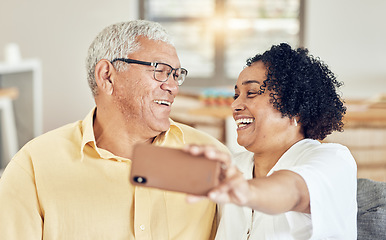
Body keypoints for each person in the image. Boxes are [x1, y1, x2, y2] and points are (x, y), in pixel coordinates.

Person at [0, 20, 228, 240]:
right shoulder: (33, 168)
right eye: (160, 70)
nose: (172, 87)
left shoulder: (213, 158)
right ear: (106, 76)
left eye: (176, 75)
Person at [186, 43, 357, 239]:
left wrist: (246, 191)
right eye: (236, 95)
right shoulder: (235, 165)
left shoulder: (333, 160)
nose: (234, 105)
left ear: (294, 106)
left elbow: (294, 191)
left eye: (251, 93)